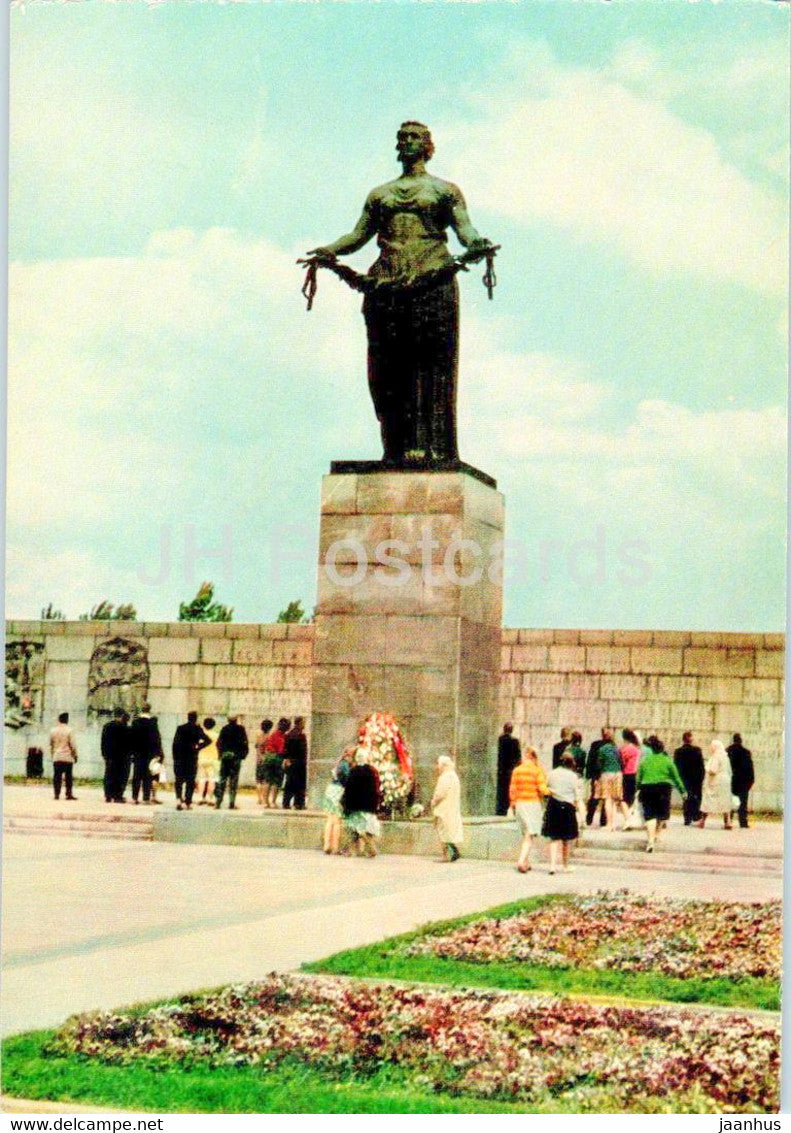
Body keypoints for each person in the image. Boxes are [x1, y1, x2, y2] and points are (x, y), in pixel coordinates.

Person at [308, 121, 494, 465]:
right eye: (402, 137)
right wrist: (328, 250)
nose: (407, 142)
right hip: (386, 283)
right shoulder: (380, 194)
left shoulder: (445, 190)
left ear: (427, 146)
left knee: (429, 364)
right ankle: (394, 446)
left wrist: (478, 243)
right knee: (387, 368)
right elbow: (358, 235)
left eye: (414, 137)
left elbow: (465, 229)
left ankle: (430, 447)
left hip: (431, 278)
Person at [636, 736, 687, 852]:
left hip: (647, 788)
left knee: (649, 816)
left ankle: (650, 841)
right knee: (661, 814)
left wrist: (637, 788)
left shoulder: (645, 761)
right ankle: (656, 835)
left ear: (652, 749)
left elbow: (638, 777)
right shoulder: (667, 761)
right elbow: (676, 778)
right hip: (663, 789)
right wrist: (683, 791)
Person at [508, 746, 548, 873]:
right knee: (529, 834)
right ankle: (521, 861)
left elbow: (512, 789)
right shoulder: (537, 771)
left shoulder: (517, 770)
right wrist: (551, 792)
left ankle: (526, 862)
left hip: (520, 803)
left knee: (525, 833)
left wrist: (513, 803)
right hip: (533, 803)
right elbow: (542, 789)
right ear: (534, 757)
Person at [543, 752, 584, 874]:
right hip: (567, 807)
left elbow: (546, 789)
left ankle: (552, 866)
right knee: (566, 839)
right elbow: (577, 796)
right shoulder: (573, 776)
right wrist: (581, 814)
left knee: (554, 838)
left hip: (553, 805)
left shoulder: (551, 774)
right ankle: (565, 866)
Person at [342, 752, 382, 857]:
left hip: (355, 807)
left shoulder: (353, 772)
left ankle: (364, 848)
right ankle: (358, 850)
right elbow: (376, 789)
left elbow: (349, 790)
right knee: (366, 830)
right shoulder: (372, 771)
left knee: (356, 829)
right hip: (368, 806)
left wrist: (346, 805)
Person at [172, 711, 210, 811]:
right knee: (190, 781)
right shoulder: (197, 728)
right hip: (192, 757)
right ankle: (188, 802)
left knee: (179, 780)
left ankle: (178, 799)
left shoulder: (180, 728)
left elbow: (175, 744)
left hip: (180, 757)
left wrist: (175, 757)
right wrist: (198, 748)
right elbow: (208, 740)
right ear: (196, 718)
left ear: (188, 717)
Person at [431, 755, 464, 862]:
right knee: (448, 833)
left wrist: (433, 801)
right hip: (452, 809)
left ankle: (447, 855)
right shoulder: (454, 776)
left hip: (443, 810)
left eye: (439, 765)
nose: (438, 767)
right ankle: (453, 852)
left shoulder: (445, 777)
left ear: (444, 765)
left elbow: (440, 794)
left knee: (443, 833)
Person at [323, 746, 355, 855]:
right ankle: (335, 847)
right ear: (349, 756)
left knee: (329, 820)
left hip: (330, 790)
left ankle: (327, 845)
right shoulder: (345, 766)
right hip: (338, 792)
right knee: (337, 822)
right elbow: (346, 780)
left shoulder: (339, 763)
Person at [129, 703, 163, 806]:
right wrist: (158, 753)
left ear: (141, 710)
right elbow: (157, 739)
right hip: (149, 753)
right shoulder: (152, 723)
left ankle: (135, 797)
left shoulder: (135, 723)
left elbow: (131, 739)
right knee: (147, 776)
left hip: (137, 753)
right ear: (149, 710)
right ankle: (146, 798)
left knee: (137, 776)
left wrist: (131, 752)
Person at [595, 730, 628, 829]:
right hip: (618, 774)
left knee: (608, 800)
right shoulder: (617, 749)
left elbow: (599, 764)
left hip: (606, 773)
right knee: (615, 799)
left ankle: (609, 824)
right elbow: (622, 763)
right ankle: (613, 824)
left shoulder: (602, 749)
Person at [215, 714, 249, 810]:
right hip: (236, 758)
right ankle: (232, 803)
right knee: (233, 781)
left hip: (225, 758)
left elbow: (218, 743)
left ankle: (218, 802)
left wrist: (220, 754)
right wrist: (243, 755)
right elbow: (245, 742)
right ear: (236, 720)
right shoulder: (241, 729)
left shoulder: (224, 729)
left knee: (222, 779)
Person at [698, 740, 733, 829]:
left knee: (708, 800)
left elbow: (713, 770)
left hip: (715, 781)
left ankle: (702, 821)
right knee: (725, 802)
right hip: (725, 781)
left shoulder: (716, 756)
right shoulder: (726, 757)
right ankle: (727, 822)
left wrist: (706, 769)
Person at [674, 731, 704, 825]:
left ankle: (687, 818)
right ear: (691, 739)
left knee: (686, 797)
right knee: (696, 797)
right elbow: (701, 766)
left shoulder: (678, 751)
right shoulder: (697, 750)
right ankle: (695, 815)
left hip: (684, 778)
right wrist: (701, 778)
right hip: (695, 778)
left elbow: (676, 766)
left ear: (683, 740)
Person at [101, 708, 130, 803]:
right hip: (122, 757)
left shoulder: (107, 726)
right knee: (121, 776)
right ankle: (118, 796)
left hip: (110, 756)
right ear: (122, 716)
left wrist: (104, 754)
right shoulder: (125, 728)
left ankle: (108, 795)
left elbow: (103, 742)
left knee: (109, 775)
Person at [727, 734, 755, 829]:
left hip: (730, 780)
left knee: (729, 802)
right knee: (743, 803)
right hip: (743, 781)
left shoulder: (727, 751)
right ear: (741, 741)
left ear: (733, 740)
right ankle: (743, 822)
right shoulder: (746, 752)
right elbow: (750, 768)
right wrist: (751, 781)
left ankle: (728, 821)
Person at [584, 729, 611, 827]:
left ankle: (589, 819)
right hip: (606, 774)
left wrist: (589, 775)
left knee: (595, 797)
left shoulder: (595, 744)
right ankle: (602, 820)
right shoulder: (611, 746)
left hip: (598, 775)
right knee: (604, 798)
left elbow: (590, 760)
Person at [49, 711, 78, 801]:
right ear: (67, 720)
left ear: (59, 719)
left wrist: (52, 755)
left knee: (57, 776)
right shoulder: (69, 730)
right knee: (68, 777)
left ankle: (56, 794)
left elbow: (51, 744)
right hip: (67, 757)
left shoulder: (53, 730)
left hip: (57, 756)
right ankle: (68, 794)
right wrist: (75, 755)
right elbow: (72, 745)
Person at [262, 717, 290, 808]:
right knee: (276, 782)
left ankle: (266, 802)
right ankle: (273, 801)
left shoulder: (272, 734)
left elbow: (266, 745)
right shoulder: (283, 737)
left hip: (269, 759)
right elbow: (281, 750)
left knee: (267, 781)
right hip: (278, 760)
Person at [282, 717, 308, 810]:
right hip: (298, 762)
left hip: (293, 761)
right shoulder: (299, 735)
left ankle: (287, 803)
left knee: (291, 783)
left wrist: (286, 758)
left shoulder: (289, 734)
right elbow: (301, 750)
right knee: (298, 784)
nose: (304, 725)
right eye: (303, 723)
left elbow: (285, 748)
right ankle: (298, 803)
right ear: (299, 723)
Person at [496, 723, 521, 816]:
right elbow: (518, 757)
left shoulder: (500, 740)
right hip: (511, 770)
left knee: (501, 790)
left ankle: (500, 809)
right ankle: (508, 808)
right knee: (509, 790)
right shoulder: (515, 741)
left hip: (501, 770)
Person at [619, 728, 642, 822]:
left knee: (624, 799)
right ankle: (629, 819)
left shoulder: (625, 749)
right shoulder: (637, 749)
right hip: (635, 774)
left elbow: (621, 762)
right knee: (631, 798)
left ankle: (628, 819)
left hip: (627, 774)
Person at [196, 717, 220, 805]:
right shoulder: (216, 735)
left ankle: (200, 797)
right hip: (213, 759)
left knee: (202, 779)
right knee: (211, 779)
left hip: (201, 758)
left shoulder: (201, 735)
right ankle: (211, 798)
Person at [254, 719, 274, 806]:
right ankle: (264, 797)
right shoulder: (270, 736)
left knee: (258, 780)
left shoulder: (258, 735)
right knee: (265, 780)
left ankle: (259, 799)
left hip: (259, 759)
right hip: (267, 758)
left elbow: (257, 746)